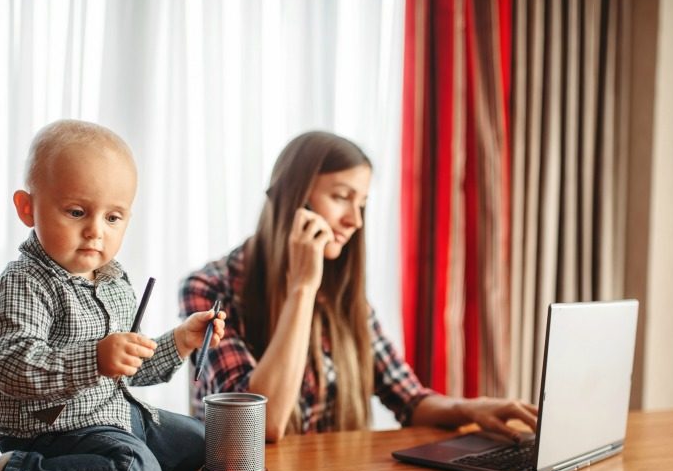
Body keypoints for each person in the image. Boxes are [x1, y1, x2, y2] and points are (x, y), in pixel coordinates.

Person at [179, 130, 536, 442]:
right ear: (293, 197)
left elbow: (409, 400)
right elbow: (258, 426)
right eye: (340, 197)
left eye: (361, 203)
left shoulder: (343, 294)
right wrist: (302, 288)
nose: (354, 221)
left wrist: (472, 409)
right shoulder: (210, 290)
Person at [0, 119, 225, 471]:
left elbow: (129, 370)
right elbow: (11, 367)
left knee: (212, 440)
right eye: (77, 212)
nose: (96, 231)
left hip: (115, 415)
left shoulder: (114, 281)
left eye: (113, 218)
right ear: (27, 208)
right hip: (51, 433)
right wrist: (94, 357)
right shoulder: (23, 283)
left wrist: (182, 339)